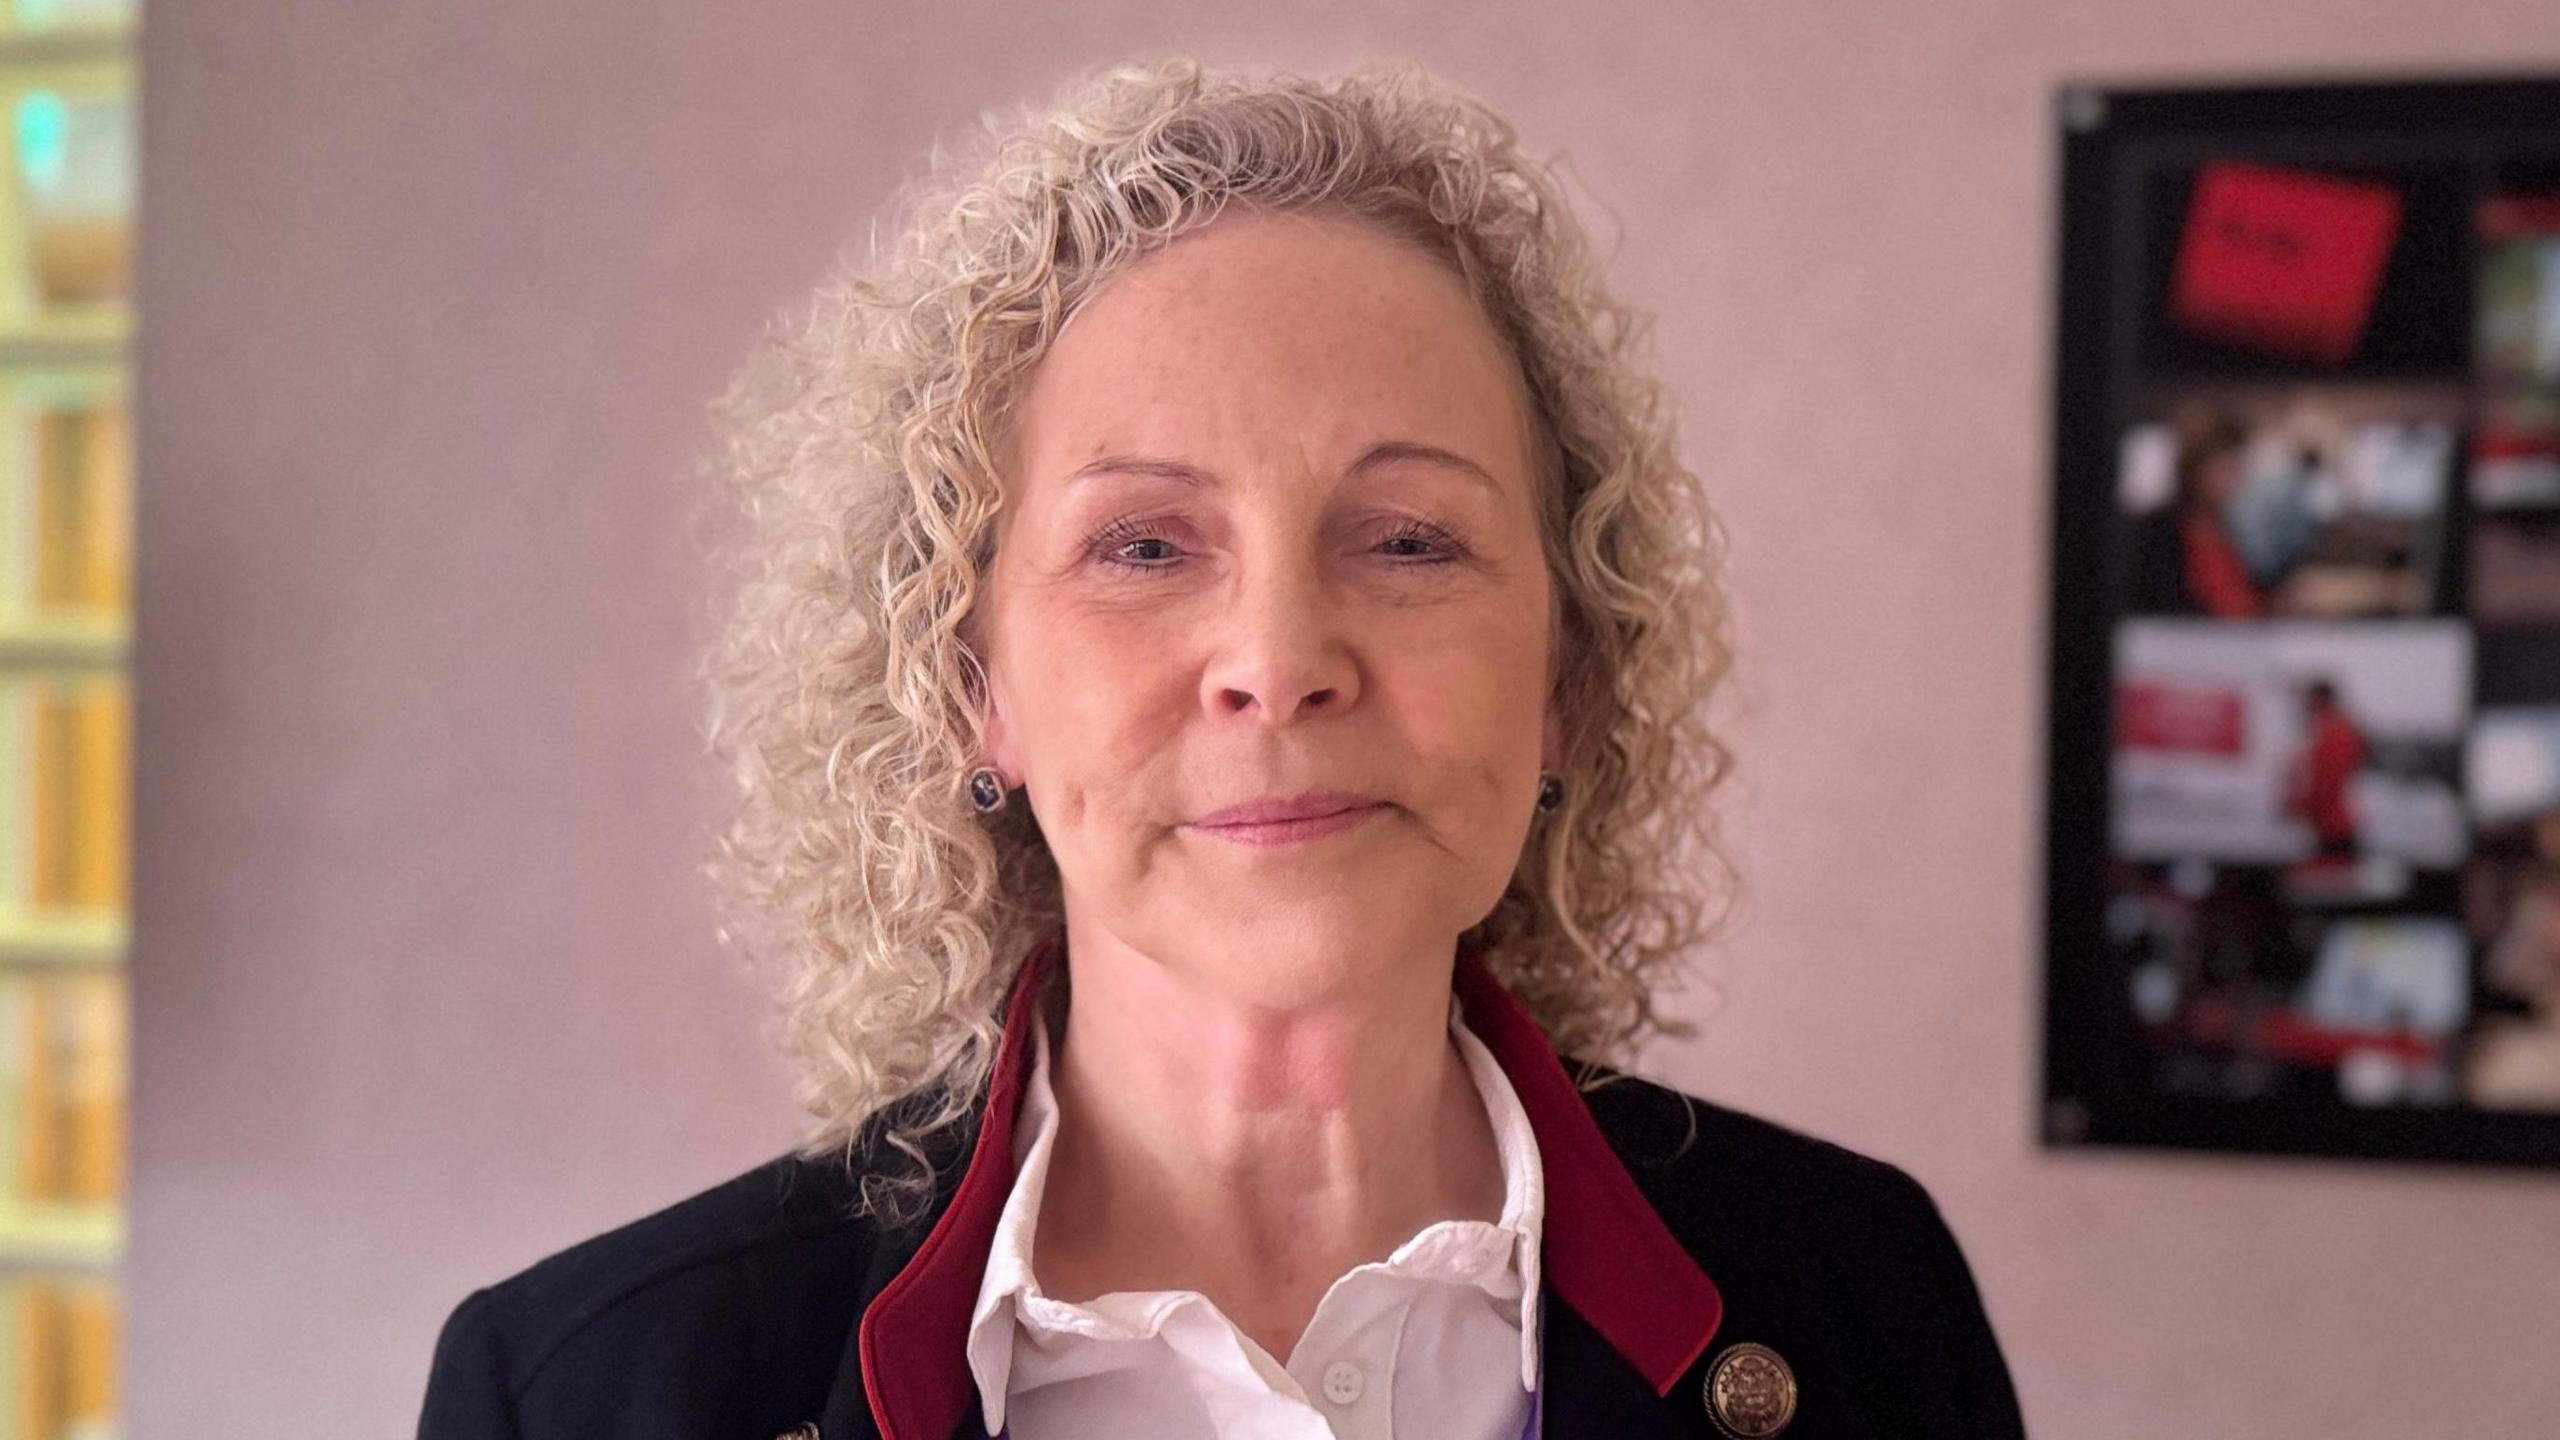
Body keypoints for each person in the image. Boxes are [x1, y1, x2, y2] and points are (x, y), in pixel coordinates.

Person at [416, 56, 2026, 1440]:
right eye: (1142, 547)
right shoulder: (580, 1390)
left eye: (1408, 540)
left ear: (1564, 678)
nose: (1279, 663)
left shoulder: (1867, 1303)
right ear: (972, 686)